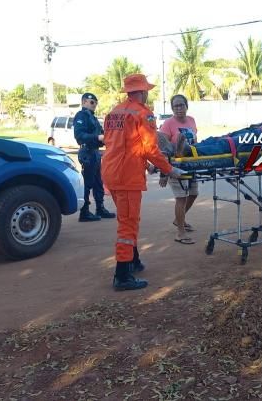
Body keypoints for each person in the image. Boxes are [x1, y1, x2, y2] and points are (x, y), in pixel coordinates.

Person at [101, 74, 184, 291]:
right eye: (146, 90)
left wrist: (144, 163)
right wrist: (169, 169)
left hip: (112, 171)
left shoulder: (113, 113)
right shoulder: (143, 114)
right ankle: (122, 276)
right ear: (141, 91)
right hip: (126, 176)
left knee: (126, 218)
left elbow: (120, 144)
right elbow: (150, 148)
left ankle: (133, 262)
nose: (147, 93)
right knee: (128, 224)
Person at [158, 94, 199, 244]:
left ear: (186, 106)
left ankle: (178, 220)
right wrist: (164, 172)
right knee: (181, 198)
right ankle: (180, 233)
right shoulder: (168, 124)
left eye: (181, 105)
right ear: (172, 108)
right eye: (176, 106)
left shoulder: (192, 120)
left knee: (194, 194)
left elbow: (195, 141)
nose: (179, 108)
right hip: (175, 165)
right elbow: (162, 149)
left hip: (191, 163)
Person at [73, 92, 115, 222]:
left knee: (98, 182)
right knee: (88, 183)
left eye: (96, 103)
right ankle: (84, 212)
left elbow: (101, 134)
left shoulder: (93, 118)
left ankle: (100, 208)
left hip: (95, 152)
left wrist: (106, 138)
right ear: (84, 102)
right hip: (87, 151)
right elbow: (79, 135)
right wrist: (97, 137)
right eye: (92, 102)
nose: (94, 105)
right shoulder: (81, 116)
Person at [171, 118, 262, 158]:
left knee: (226, 144)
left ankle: (189, 150)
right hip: (256, 131)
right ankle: (188, 148)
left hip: (260, 140)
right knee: (218, 139)